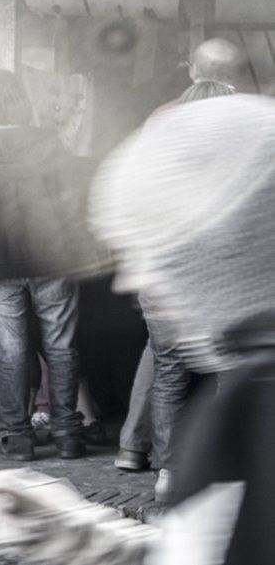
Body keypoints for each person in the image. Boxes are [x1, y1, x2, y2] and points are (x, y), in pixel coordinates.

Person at [0, 93, 275, 565]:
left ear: (226, 240)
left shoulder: (253, 402)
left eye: (153, 245)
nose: (130, 281)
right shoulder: (246, 393)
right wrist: (83, 539)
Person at [0, 70, 97, 461]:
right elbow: (73, 202)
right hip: (53, 258)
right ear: (21, 104)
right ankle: (67, 434)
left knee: (10, 353)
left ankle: (18, 437)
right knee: (61, 347)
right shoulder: (49, 142)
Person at [113, 79, 235, 501]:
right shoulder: (238, 164)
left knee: (169, 374)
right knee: (229, 371)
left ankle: (170, 473)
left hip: (162, 281)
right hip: (218, 282)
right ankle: (222, 467)